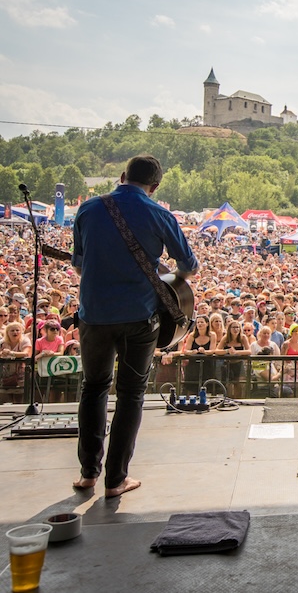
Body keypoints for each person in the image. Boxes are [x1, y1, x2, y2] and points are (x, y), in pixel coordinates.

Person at [72, 155, 199, 497]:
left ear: (122, 176)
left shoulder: (87, 209)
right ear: (155, 186)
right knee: (130, 395)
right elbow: (188, 264)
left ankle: (88, 474)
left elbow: (80, 265)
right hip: (139, 318)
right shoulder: (159, 214)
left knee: (93, 389)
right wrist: (162, 276)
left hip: (94, 316)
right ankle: (116, 480)